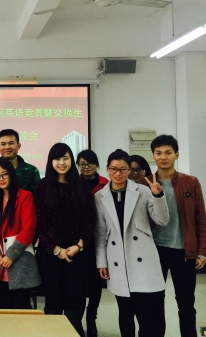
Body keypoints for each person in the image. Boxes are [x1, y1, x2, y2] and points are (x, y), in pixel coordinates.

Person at [95, 149, 168, 337]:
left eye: (123, 169)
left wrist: (158, 196)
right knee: (125, 312)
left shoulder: (143, 191)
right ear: (107, 169)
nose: (118, 173)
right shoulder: (100, 196)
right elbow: (101, 233)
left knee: (145, 314)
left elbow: (162, 220)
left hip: (143, 259)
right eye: (113, 169)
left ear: (129, 170)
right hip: (117, 260)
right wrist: (102, 262)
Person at [141, 135, 206, 337]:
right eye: (158, 153)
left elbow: (201, 219)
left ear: (177, 155)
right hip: (155, 251)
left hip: (183, 251)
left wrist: (202, 251)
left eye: (168, 152)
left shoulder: (191, 182)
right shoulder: (144, 184)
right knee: (155, 302)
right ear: (153, 156)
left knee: (186, 303)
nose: (163, 157)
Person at [34, 143, 95, 336]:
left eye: (65, 158)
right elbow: (40, 221)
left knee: (75, 301)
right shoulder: (43, 186)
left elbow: (89, 218)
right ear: (51, 161)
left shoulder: (81, 185)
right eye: (57, 159)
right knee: (53, 301)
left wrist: (79, 245)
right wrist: (56, 249)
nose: (61, 163)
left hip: (77, 252)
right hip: (51, 253)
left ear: (71, 160)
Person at [0, 157, 41, 310]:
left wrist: (11, 255)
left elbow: (29, 229)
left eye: (4, 174)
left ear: (11, 174)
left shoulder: (25, 196)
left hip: (20, 260)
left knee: (20, 310)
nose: (1, 179)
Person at [76, 149, 109, 336]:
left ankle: (91, 318)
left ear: (97, 165)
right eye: (82, 164)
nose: (86, 167)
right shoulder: (74, 183)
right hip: (80, 240)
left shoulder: (106, 184)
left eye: (90, 163)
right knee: (80, 283)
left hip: (100, 238)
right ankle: (79, 320)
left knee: (96, 283)